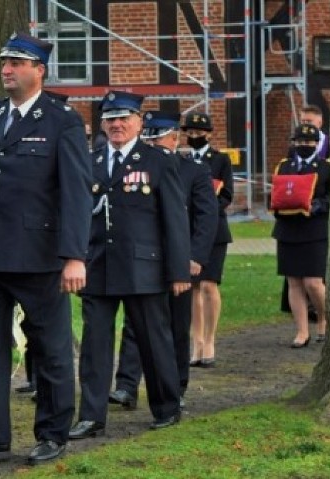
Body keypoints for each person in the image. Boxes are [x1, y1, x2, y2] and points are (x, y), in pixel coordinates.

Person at [0, 32, 91, 466]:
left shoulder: (62, 119)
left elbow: (77, 192)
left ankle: (53, 432)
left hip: (39, 255)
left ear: (39, 70)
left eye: (17, 63)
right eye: (4, 62)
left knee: (50, 346)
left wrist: (74, 255)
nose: (6, 69)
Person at [67, 91, 190, 440]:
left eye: (124, 118)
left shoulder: (159, 161)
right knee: (95, 346)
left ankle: (167, 407)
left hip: (143, 268)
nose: (117, 125)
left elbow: (174, 220)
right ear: (103, 123)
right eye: (111, 119)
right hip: (99, 266)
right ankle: (91, 416)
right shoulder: (89, 161)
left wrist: (179, 271)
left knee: (154, 341)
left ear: (139, 121)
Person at [109, 111, 218, 411]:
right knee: (135, 325)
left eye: (157, 137)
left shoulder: (193, 170)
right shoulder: (134, 166)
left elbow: (206, 216)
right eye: (148, 137)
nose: (151, 142)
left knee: (176, 324)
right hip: (143, 261)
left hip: (177, 260)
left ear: (174, 138)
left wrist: (194, 256)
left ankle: (177, 385)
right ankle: (126, 385)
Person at [271, 124, 330, 347]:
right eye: (299, 142)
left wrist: (315, 205)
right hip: (288, 229)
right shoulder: (284, 166)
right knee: (294, 281)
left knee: (314, 282)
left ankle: (324, 318)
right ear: (293, 143)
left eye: (308, 142)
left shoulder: (325, 168)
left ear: (316, 144)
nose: (303, 146)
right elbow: (276, 192)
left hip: (315, 229)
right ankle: (302, 331)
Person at [181, 112, 233, 368]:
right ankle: (197, 341)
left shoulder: (221, 159)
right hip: (188, 230)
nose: (194, 137)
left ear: (209, 134)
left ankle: (210, 340)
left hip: (215, 231)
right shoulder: (182, 159)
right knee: (192, 288)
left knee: (209, 286)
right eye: (189, 133)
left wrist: (207, 209)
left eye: (198, 133)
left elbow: (227, 196)